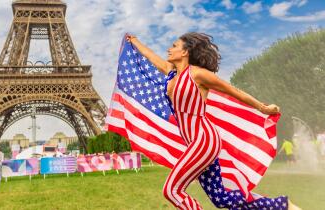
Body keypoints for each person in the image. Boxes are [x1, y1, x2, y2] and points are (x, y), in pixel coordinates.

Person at [127, 33, 301, 210]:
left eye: (174, 46)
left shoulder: (198, 74)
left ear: (185, 51)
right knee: (221, 198)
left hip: (203, 140)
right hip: (195, 143)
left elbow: (233, 91)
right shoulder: (171, 74)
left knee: (171, 190)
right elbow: (150, 56)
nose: (169, 49)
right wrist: (134, 41)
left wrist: (263, 108)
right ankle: (282, 205)